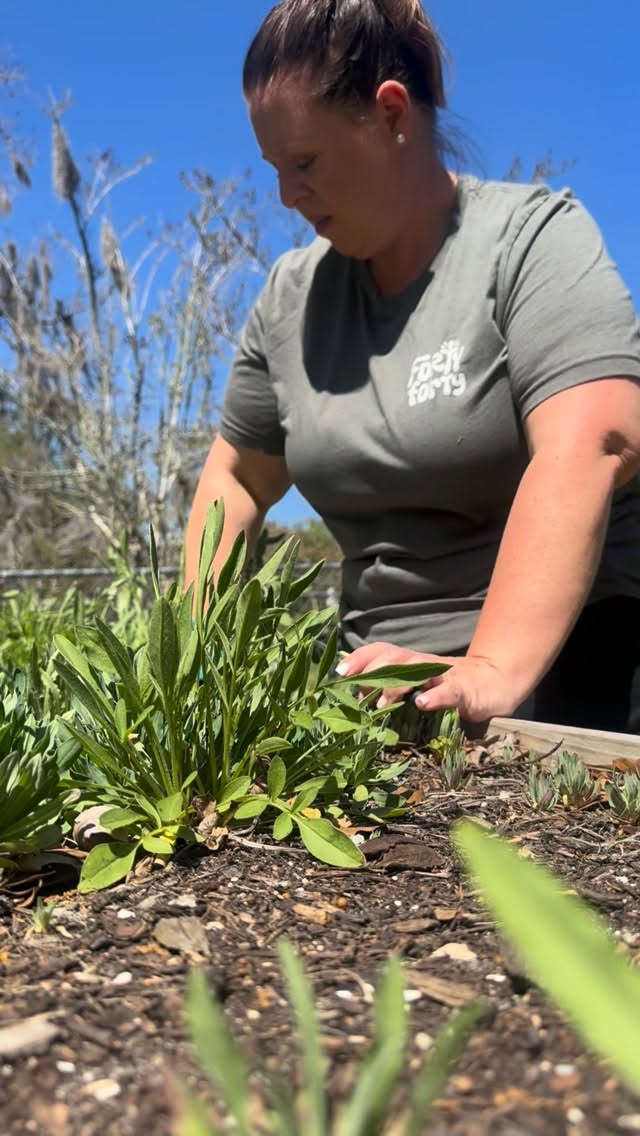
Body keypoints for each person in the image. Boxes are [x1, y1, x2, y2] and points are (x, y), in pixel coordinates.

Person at [185, 0, 640, 733]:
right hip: (373, 682)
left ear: (392, 115)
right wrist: (202, 668)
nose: (286, 196)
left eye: (304, 162)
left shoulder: (532, 240)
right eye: (274, 169)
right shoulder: (290, 300)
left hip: (571, 668)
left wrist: (488, 668)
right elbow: (236, 478)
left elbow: (597, 439)